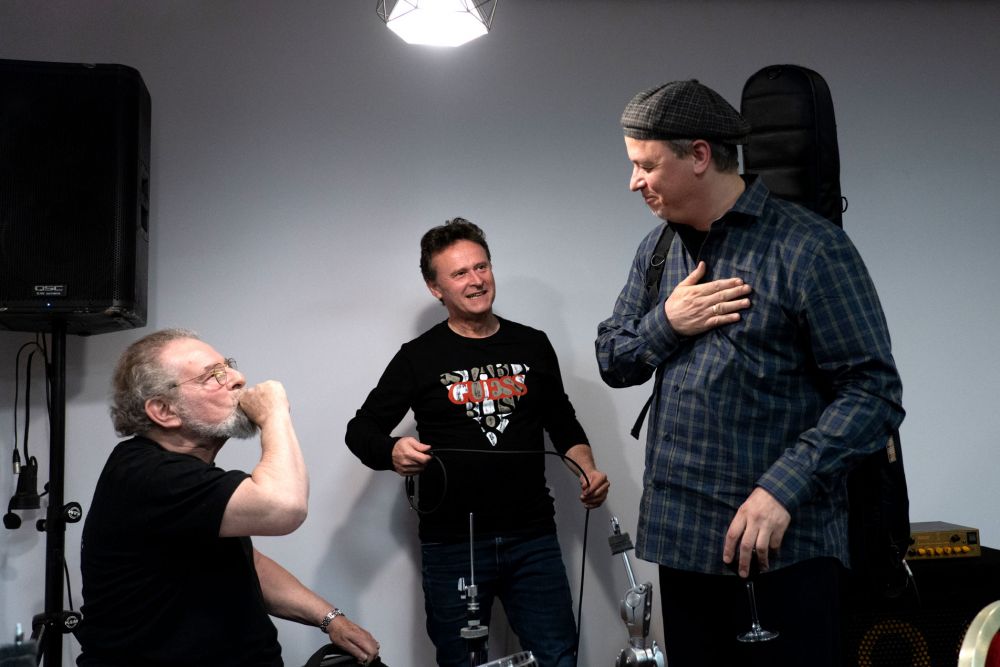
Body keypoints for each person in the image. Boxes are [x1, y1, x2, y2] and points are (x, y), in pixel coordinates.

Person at [595, 80, 904, 666]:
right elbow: (613, 359)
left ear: (699, 155)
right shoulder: (656, 251)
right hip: (683, 543)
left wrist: (781, 489)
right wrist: (668, 322)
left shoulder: (810, 248)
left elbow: (874, 392)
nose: (634, 182)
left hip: (782, 547)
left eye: (646, 166)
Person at [346, 218, 609, 667]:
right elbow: (361, 430)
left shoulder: (532, 344)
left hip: (532, 537)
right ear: (436, 288)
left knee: (557, 657)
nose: (476, 280)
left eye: (481, 266)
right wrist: (392, 451)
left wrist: (588, 470)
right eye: (460, 273)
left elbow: (563, 423)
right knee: (462, 661)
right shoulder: (418, 357)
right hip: (453, 545)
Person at [77, 329, 383, 667]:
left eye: (228, 367)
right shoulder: (148, 475)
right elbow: (286, 506)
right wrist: (274, 415)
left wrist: (331, 620)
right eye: (213, 375)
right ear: (164, 411)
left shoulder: (182, 472)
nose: (238, 379)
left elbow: (247, 562)